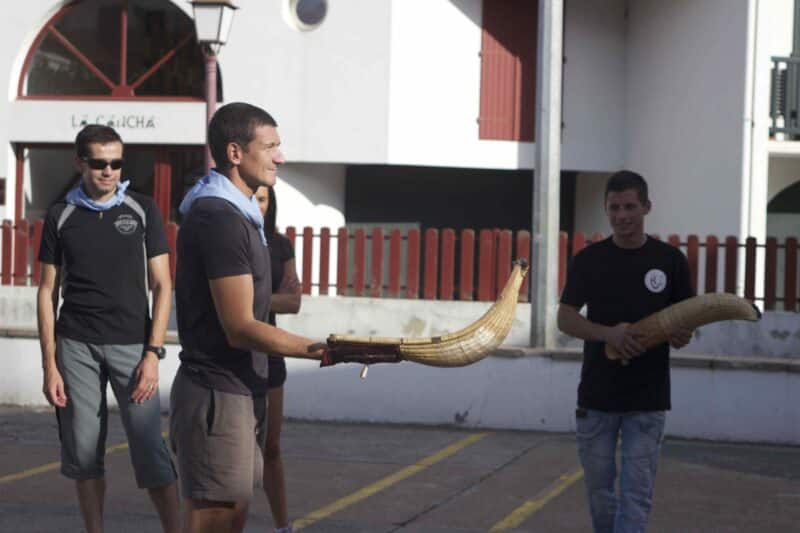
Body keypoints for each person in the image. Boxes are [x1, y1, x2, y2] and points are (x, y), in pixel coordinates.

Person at [170, 102, 326, 533]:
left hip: (239, 389)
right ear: (235, 153)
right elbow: (240, 327)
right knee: (214, 519)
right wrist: (324, 351)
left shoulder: (239, 214)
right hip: (216, 394)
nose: (281, 156)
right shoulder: (219, 217)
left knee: (233, 514)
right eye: (271, 146)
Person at [37, 125, 180, 533]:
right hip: (76, 346)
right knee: (83, 453)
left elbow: (163, 285)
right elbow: (47, 292)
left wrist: (153, 354)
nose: (109, 171)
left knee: (151, 449)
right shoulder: (60, 214)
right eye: (99, 163)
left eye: (116, 163)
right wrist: (50, 365)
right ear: (79, 163)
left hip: (134, 348)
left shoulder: (142, 209)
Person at [557, 170, 695, 533]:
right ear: (606, 209)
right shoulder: (589, 260)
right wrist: (608, 334)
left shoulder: (670, 261)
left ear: (646, 206)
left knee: (636, 494)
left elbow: (686, 323)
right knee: (600, 492)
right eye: (614, 207)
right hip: (596, 399)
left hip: (647, 401)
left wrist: (683, 336)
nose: (622, 216)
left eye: (630, 206)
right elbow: (565, 318)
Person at [254, 185, 302, 533]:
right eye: (251, 197)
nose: (256, 204)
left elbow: (293, 300)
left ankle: (282, 525)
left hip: (270, 354)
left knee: (271, 447)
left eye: (262, 199)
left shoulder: (280, 245)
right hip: (231, 357)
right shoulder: (225, 237)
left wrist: (245, 303)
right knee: (236, 452)